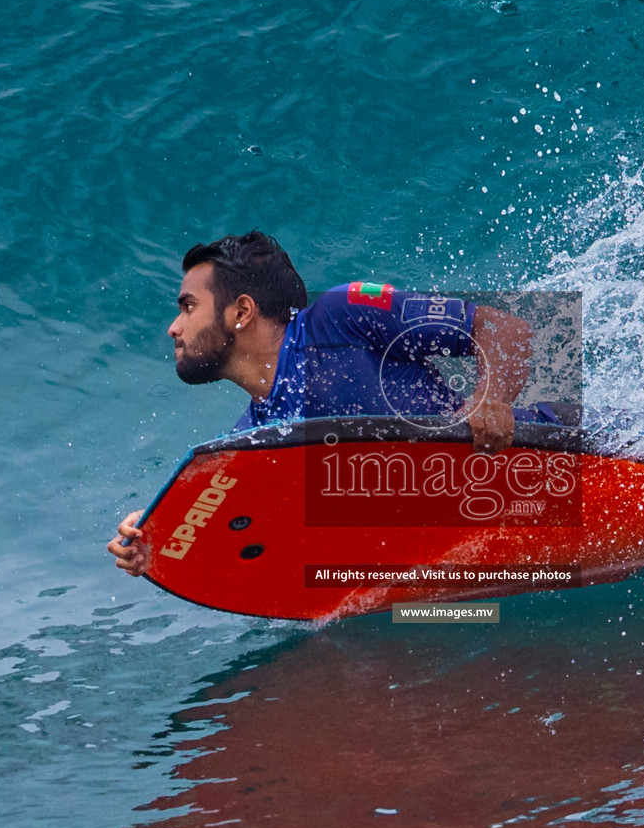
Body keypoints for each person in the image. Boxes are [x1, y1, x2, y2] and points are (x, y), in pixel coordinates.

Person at [109, 230, 560, 576]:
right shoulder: (253, 443)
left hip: (559, 452)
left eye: (188, 307)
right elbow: (240, 535)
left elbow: (506, 329)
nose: (174, 327)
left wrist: (490, 401)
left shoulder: (341, 317)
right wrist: (153, 535)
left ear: (241, 312)